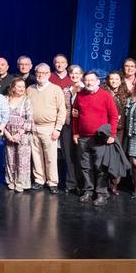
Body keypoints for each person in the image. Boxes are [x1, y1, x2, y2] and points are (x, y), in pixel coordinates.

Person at [74, 71, 119, 206]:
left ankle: (101, 194)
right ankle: (88, 191)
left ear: (98, 81)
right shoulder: (80, 95)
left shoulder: (105, 95)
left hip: (100, 138)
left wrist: (112, 134)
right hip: (83, 138)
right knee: (85, 166)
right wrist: (75, 133)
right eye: (86, 80)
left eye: (92, 80)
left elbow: (114, 116)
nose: (89, 83)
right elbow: (75, 116)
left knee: (100, 168)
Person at [28, 63, 66, 195]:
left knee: (50, 157)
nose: (40, 75)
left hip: (49, 128)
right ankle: (39, 180)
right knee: (36, 155)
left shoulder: (56, 89)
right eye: (38, 72)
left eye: (43, 73)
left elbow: (62, 111)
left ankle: (53, 182)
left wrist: (57, 129)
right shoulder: (30, 89)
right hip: (33, 127)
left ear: (49, 75)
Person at [2, 78, 33, 192]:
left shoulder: (26, 101)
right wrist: (7, 133)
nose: (21, 89)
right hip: (8, 133)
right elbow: (1, 117)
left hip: (22, 134)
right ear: (13, 87)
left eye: (23, 87)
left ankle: (21, 182)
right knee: (9, 158)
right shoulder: (6, 99)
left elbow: (29, 119)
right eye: (18, 86)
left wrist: (19, 134)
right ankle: (11, 180)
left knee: (22, 159)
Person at [58, 64, 85, 193]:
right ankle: (70, 184)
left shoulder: (86, 89)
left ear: (82, 75)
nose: (74, 76)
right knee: (68, 155)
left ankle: (81, 184)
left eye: (77, 73)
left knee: (80, 156)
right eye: (72, 73)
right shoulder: (65, 90)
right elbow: (61, 108)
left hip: (82, 128)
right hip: (67, 126)